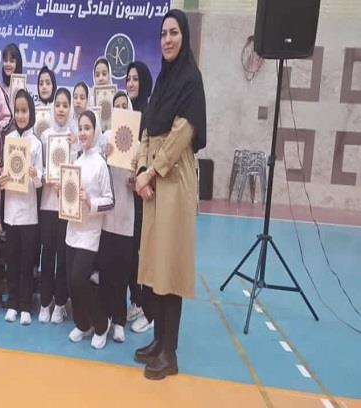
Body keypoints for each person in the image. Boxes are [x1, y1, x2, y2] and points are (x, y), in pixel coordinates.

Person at [133, 9, 206, 380]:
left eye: (174, 32)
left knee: (170, 265)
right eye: (163, 34)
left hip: (174, 179)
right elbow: (149, 128)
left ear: (184, 36)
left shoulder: (191, 79)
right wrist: (140, 169)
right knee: (154, 263)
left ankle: (170, 353)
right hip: (154, 179)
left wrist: (151, 171)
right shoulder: (162, 79)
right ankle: (159, 339)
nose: (167, 40)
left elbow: (182, 134)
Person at [66, 110, 114, 350]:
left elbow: (110, 201)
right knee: (71, 282)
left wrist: (89, 202)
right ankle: (83, 324)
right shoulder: (76, 162)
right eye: (81, 128)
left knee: (79, 280)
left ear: (95, 132)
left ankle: (101, 324)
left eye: (87, 128)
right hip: (72, 231)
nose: (83, 133)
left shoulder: (101, 165)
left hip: (90, 233)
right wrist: (63, 193)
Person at [0, 89, 43, 325]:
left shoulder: (36, 144)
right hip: (11, 212)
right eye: (17, 110)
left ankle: (25, 305)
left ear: (31, 112)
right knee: (12, 260)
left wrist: (35, 175)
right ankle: (13, 302)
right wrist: (2, 179)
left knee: (27, 262)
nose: (21, 115)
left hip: (29, 213)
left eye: (24, 110)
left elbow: (40, 182)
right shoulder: (9, 140)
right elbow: (4, 173)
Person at [97, 92, 135, 343]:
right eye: (117, 106)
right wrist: (105, 156)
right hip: (107, 216)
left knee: (121, 272)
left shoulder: (137, 142)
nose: (121, 109)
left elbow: (140, 181)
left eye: (124, 105)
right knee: (106, 271)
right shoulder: (105, 138)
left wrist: (135, 178)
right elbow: (97, 173)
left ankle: (120, 319)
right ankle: (106, 318)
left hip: (126, 216)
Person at [38, 88, 76, 324]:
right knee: (48, 253)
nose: (61, 109)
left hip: (67, 206)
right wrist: (46, 177)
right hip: (47, 204)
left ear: (70, 108)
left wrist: (76, 147)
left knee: (63, 255)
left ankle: (60, 304)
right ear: (53, 108)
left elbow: (79, 168)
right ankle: (45, 302)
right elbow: (39, 167)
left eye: (65, 105)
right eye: (58, 105)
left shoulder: (75, 137)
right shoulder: (45, 136)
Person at [125, 61, 155, 333]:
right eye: (128, 79)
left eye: (135, 79)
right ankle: (136, 300)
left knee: (144, 251)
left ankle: (148, 308)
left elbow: (148, 154)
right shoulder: (125, 114)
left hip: (143, 194)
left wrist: (141, 175)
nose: (131, 83)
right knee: (130, 250)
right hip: (126, 194)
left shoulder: (150, 113)